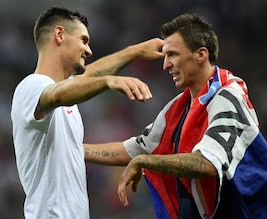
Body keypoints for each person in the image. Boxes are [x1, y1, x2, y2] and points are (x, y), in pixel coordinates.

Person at [84, 13, 267, 218]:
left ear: (201, 54)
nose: (166, 64)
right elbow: (136, 148)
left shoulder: (228, 97)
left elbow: (207, 163)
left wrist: (146, 161)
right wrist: (74, 149)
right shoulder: (178, 107)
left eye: (173, 55)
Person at [10, 6, 164, 219]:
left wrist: (135, 52)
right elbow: (55, 95)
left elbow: (88, 75)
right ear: (59, 34)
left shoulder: (67, 95)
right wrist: (109, 82)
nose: (89, 50)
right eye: (83, 40)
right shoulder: (31, 86)